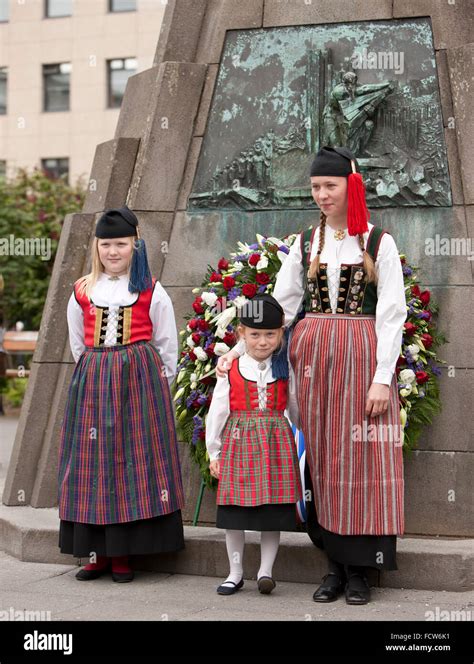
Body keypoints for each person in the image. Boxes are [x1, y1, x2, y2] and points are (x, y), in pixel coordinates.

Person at [217, 146, 406, 605]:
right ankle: (334, 568)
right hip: (315, 362)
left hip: (362, 357)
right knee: (322, 458)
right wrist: (237, 351)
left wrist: (383, 377)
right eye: (316, 187)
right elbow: (279, 310)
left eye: (330, 186)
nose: (322, 195)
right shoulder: (307, 243)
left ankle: (362, 571)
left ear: (351, 185)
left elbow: (392, 313)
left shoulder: (378, 242)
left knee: (362, 457)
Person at [58, 206, 185, 582]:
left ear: (136, 245)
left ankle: (126, 555)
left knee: (134, 460)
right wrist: (96, 372)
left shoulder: (150, 288)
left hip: (139, 383)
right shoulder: (82, 289)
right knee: (93, 462)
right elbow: (77, 343)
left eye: (121, 244)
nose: (113, 252)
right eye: (106, 244)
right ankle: (97, 554)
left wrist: (158, 385)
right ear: (97, 247)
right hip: (95, 382)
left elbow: (166, 341)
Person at [206, 294, 302, 596]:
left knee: (270, 513)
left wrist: (306, 435)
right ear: (241, 335)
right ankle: (235, 572)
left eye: (270, 334)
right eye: (255, 334)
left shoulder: (285, 368)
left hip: (276, 446)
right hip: (239, 443)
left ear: (281, 334)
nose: (263, 341)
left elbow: (296, 407)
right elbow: (218, 410)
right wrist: (214, 451)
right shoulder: (231, 368)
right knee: (234, 513)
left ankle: (265, 571)